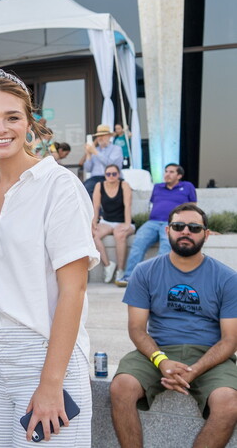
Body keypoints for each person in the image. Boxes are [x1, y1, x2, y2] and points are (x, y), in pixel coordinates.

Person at [0, 69, 99, 447]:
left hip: (42, 353)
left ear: (30, 124)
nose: (0, 128)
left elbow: (73, 291)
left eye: (12, 117)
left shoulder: (59, 188)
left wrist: (51, 382)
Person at [110, 204, 237, 448]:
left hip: (210, 355)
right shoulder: (144, 272)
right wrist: (161, 360)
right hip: (159, 350)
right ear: (168, 231)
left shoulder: (227, 278)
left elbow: (230, 339)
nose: (185, 232)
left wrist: (195, 369)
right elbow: (136, 329)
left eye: (194, 227)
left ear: (206, 234)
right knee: (121, 387)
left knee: (229, 402)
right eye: (179, 226)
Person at [117, 164, 197, 287]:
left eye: (171, 172)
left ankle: (157, 279)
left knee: (165, 246)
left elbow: (193, 207)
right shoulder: (158, 187)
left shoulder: (187, 186)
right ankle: (129, 276)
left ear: (179, 175)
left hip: (173, 223)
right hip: (153, 222)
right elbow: (153, 205)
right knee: (138, 243)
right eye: (166, 171)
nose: (167, 174)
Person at [92, 164, 136, 283]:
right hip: (107, 221)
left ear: (118, 175)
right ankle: (108, 265)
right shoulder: (99, 186)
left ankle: (120, 270)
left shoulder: (124, 185)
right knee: (94, 235)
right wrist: (94, 222)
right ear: (105, 175)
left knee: (119, 234)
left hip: (123, 221)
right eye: (108, 174)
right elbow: (96, 206)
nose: (111, 176)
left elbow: (128, 205)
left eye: (114, 174)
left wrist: (127, 224)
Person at [81, 124, 123, 193]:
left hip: (112, 176)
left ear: (109, 136)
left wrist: (95, 152)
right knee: (84, 190)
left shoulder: (116, 149)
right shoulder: (95, 150)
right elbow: (88, 169)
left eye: (102, 135)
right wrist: (88, 154)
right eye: (98, 136)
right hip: (95, 178)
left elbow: (111, 165)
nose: (100, 138)